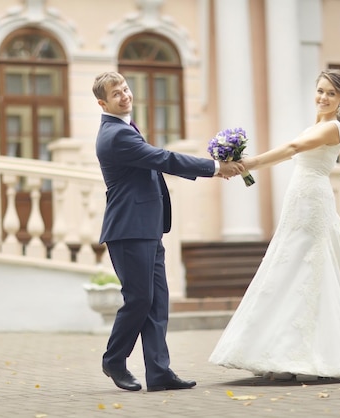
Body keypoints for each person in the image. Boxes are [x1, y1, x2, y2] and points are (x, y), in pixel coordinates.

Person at [209, 69, 340, 382]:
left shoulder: (332, 127)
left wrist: (247, 163)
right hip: (299, 197)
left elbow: (292, 149)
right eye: (320, 90)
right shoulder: (317, 124)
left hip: (313, 201)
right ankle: (279, 352)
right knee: (287, 267)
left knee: (308, 269)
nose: (323, 97)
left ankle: (307, 355)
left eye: (331, 94)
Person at [93, 71, 245, 392]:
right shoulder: (116, 135)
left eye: (125, 88)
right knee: (139, 299)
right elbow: (163, 159)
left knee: (158, 301)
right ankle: (114, 359)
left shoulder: (124, 128)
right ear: (102, 102)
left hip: (146, 227)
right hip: (129, 229)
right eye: (116, 93)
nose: (124, 95)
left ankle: (159, 372)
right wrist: (215, 168)